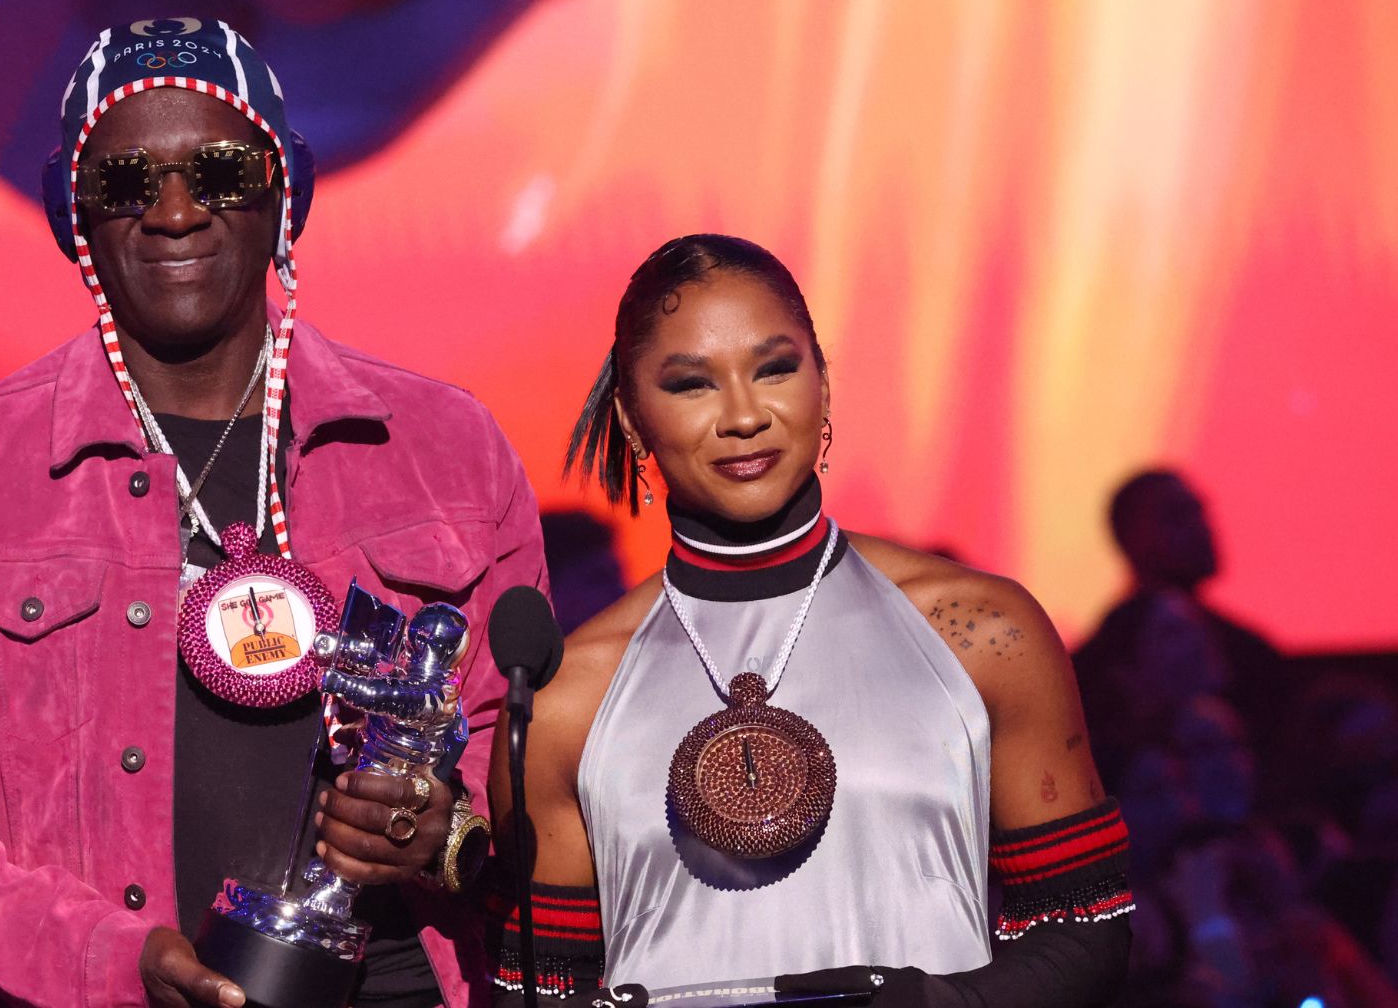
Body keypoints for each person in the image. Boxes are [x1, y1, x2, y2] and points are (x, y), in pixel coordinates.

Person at [0, 17, 545, 1007]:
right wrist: (102, 957)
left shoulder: (443, 449)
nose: (177, 212)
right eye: (126, 183)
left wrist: (441, 828)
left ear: (287, 194)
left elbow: (525, 760)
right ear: (74, 217)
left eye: (223, 172)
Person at [491, 235, 1131, 1005]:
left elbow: (1086, 927)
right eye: (693, 384)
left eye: (776, 368)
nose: (744, 415)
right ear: (632, 419)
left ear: (822, 382)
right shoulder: (567, 703)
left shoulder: (983, 631)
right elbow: (536, 994)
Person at [1075, 470, 1283, 772]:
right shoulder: (1097, 667)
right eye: (1177, 516)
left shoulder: (1252, 654)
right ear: (1129, 536)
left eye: (1200, 512)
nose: (1202, 527)